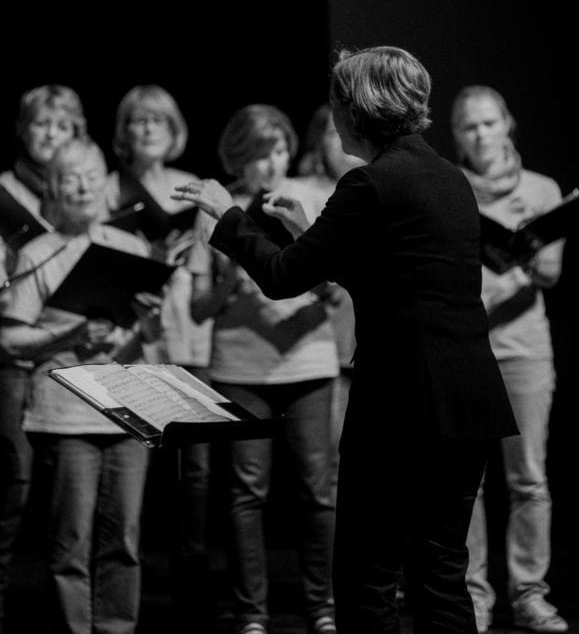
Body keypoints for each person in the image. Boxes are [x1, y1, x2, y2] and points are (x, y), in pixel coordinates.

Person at [173, 46, 519, 634]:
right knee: (439, 574)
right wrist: (308, 231)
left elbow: (282, 277)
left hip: (403, 404)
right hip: (468, 401)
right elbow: (393, 277)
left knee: (367, 577)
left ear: (358, 111)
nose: (332, 118)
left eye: (337, 103)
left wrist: (227, 216)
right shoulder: (449, 177)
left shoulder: (369, 183)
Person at [0, 137, 162, 634]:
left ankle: (116, 628)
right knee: (70, 539)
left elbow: (151, 339)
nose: (84, 186)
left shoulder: (131, 247)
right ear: (53, 188)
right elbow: (9, 339)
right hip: (65, 410)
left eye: (92, 176)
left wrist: (150, 322)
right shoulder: (38, 254)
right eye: (71, 178)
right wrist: (69, 334)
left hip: (127, 407)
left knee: (125, 537)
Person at [189, 103, 339, 634]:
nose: (271, 164)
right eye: (258, 155)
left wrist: (308, 262)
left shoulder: (310, 198)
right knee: (246, 493)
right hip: (240, 368)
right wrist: (233, 275)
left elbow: (337, 290)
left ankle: (322, 605)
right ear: (238, 159)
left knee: (318, 490)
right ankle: (252, 611)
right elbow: (198, 308)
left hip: (308, 362)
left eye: (278, 151)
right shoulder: (215, 208)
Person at [451, 85, 567, 634]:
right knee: (467, 484)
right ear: (457, 136)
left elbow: (550, 272)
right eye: (469, 126)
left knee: (529, 480)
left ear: (507, 125)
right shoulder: (450, 190)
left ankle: (529, 596)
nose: (481, 135)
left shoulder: (541, 189)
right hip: (467, 352)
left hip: (524, 352)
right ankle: (475, 597)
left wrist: (508, 274)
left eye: (489, 123)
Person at [107, 84, 214, 629]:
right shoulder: (108, 189)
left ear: (174, 131)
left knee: (193, 479)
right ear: (123, 132)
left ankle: (190, 602)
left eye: (158, 120)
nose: (148, 128)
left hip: (187, 347)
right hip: (131, 349)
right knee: (131, 481)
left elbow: (205, 275)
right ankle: (127, 600)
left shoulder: (191, 188)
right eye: (138, 120)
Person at [0, 84, 87, 632]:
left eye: (64, 125)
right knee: (13, 484)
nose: (52, 134)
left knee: (74, 496)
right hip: (14, 353)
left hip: (76, 351)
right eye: (41, 123)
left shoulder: (86, 186)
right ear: (22, 129)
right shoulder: (5, 192)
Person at [296, 104, 364, 499]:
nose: (343, 142)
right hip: (325, 352)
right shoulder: (301, 192)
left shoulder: (381, 188)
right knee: (336, 466)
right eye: (333, 133)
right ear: (318, 141)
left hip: (376, 348)